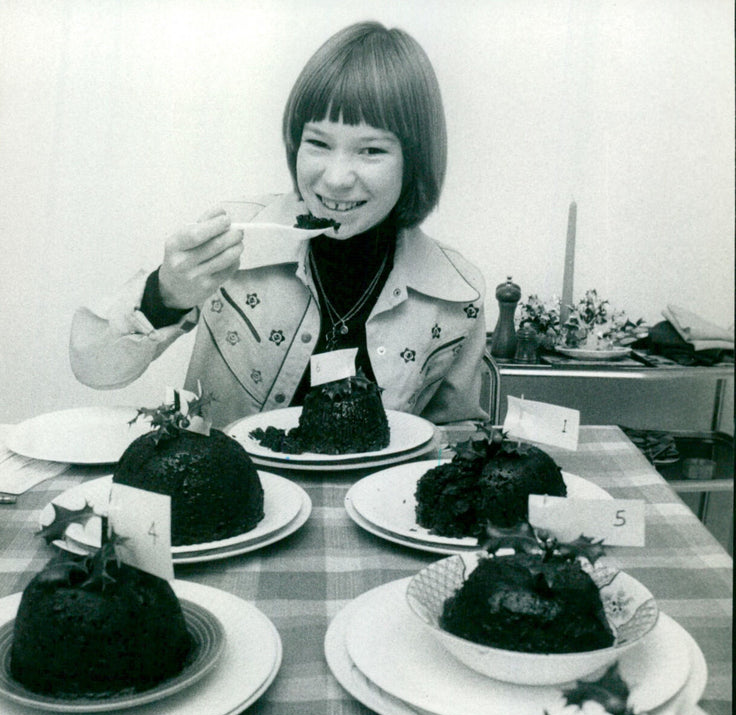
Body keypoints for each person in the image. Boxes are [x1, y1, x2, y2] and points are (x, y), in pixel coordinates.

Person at [69, 21, 487, 431]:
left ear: (413, 162)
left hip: (366, 499)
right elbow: (92, 367)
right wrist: (166, 295)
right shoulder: (234, 238)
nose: (336, 177)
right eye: (319, 144)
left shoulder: (455, 292)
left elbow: (455, 438)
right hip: (224, 491)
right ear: (295, 143)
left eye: (372, 150)